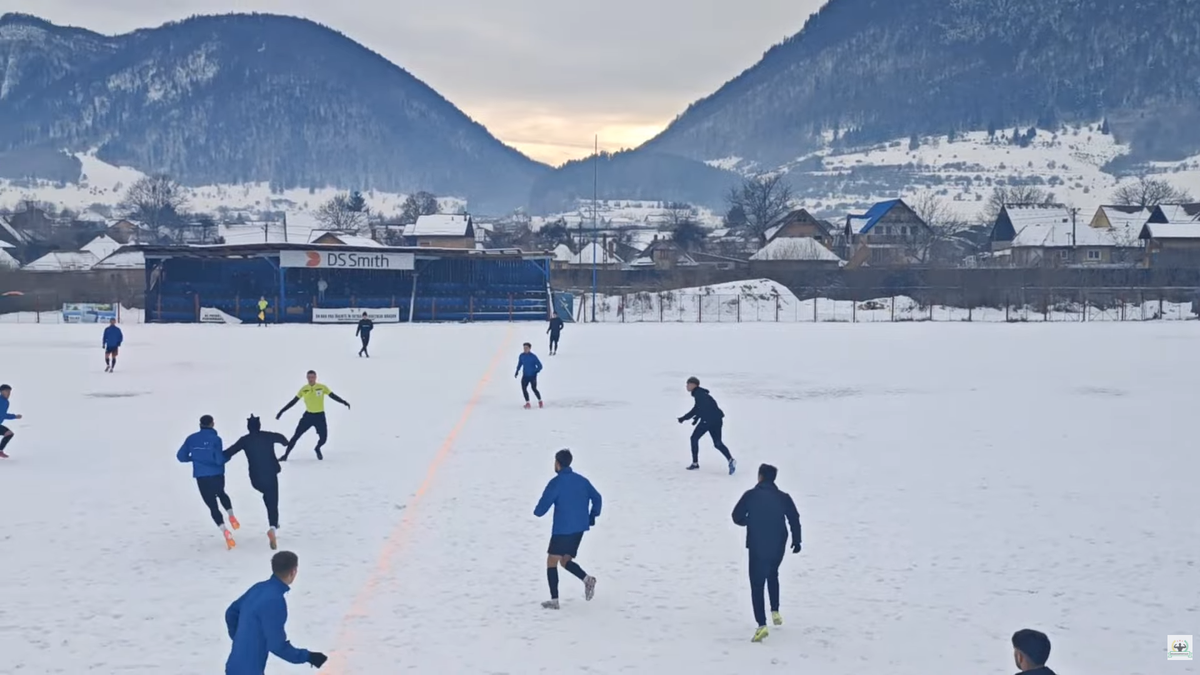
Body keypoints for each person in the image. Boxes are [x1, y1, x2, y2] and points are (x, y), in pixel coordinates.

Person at [225, 551, 327, 675]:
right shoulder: (275, 601)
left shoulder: (258, 588)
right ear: (293, 572)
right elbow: (276, 645)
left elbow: (231, 613)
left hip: (234, 665)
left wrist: (241, 640)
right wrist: (308, 656)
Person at [731, 463, 802, 643]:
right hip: (779, 543)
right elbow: (794, 518)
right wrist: (797, 540)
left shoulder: (751, 495)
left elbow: (736, 516)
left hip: (757, 544)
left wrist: (749, 521)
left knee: (757, 583)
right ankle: (775, 611)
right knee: (772, 573)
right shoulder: (783, 497)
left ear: (760, 476)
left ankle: (762, 625)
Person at [533, 449, 601, 610]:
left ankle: (554, 600)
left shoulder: (556, 483)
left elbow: (542, 509)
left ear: (557, 463)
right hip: (579, 529)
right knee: (565, 560)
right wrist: (592, 516)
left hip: (562, 529)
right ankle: (587, 580)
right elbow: (597, 497)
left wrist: (537, 511)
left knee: (551, 561)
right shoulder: (582, 481)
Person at [224, 415, 290, 550]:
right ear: (259, 426)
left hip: (256, 478)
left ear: (248, 428)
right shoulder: (268, 436)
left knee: (266, 494)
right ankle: (273, 527)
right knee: (272, 501)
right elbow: (284, 441)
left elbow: (228, 452)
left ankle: (273, 522)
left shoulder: (245, 440)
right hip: (271, 474)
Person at [176, 414, 239, 549]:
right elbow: (218, 459)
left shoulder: (191, 439)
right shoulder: (216, 439)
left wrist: (194, 458)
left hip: (201, 476)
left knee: (212, 505)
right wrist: (226, 458)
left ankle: (225, 531)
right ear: (212, 424)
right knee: (221, 493)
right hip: (217, 475)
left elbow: (181, 457)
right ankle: (231, 515)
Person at [277, 370, 350, 461]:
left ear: (315, 377)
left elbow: (333, 396)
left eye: (312, 377)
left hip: (320, 416)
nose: (311, 379)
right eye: (309, 377)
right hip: (308, 416)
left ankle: (317, 448)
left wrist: (343, 402)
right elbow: (293, 401)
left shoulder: (322, 387)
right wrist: (282, 411)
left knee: (323, 438)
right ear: (307, 378)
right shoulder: (304, 389)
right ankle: (285, 456)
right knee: (296, 436)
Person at [678, 376, 736, 474]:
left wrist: (686, 418)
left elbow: (699, 409)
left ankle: (695, 463)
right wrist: (693, 418)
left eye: (688, 384)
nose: (686, 386)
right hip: (716, 420)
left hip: (708, 421)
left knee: (694, 438)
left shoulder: (699, 394)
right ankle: (731, 460)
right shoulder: (701, 394)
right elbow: (701, 408)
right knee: (717, 443)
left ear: (694, 385)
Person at [515, 342, 544, 409]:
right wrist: (517, 371)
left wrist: (536, 371)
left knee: (534, 388)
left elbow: (540, 366)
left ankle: (540, 401)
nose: (525, 349)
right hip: (525, 375)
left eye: (526, 348)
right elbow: (520, 364)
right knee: (524, 388)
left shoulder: (533, 357)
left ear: (529, 348)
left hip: (532, 376)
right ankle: (527, 403)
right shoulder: (521, 356)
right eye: (524, 348)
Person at [0, 384, 22, 459]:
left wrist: (15, 416)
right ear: (1, 392)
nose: (9, 393)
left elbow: (3, 415)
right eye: (6, 391)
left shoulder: (6, 402)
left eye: (9, 391)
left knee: (9, 434)